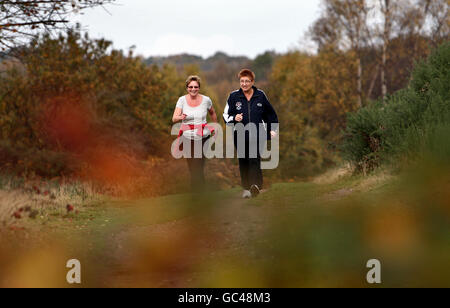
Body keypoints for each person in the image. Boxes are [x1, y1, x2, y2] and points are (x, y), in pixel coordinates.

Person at [223, 69, 278, 198]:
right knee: (243, 161)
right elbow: (226, 115)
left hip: (258, 133)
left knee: (254, 159)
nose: (244, 84)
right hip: (240, 134)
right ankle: (246, 188)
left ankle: (255, 186)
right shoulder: (233, 96)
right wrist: (234, 118)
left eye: (247, 81)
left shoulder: (260, 95)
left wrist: (272, 129)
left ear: (252, 82)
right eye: (242, 81)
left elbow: (271, 114)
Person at [172, 75, 217, 191]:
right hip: (187, 137)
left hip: (203, 136)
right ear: (187, 88)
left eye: (196, 87)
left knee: (198, 165)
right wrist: (180, 116)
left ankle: (198, 193)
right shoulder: (182, 100)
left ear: (199, 88)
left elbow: (212, 113)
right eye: (190, 87)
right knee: (192, 167)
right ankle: (198, 193)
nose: (193, 89)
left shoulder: (206, 100)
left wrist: (215, 127)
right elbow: (174, 118)